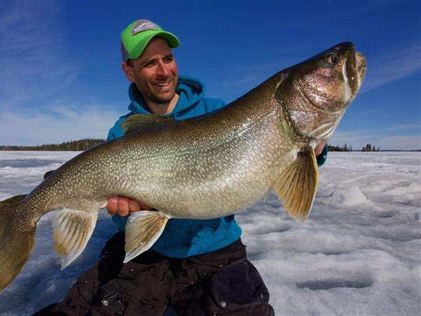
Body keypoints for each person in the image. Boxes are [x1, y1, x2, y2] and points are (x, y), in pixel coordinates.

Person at [36, 19, 327, 316]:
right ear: (129, 71)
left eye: (168, 58)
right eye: (150, 63)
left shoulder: (218, 111)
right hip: (148, 255)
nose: (164, 71)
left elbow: (279, 162)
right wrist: (129, 214)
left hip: (217, 251)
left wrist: (312, 150)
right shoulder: (122, 132)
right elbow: (124, 218)